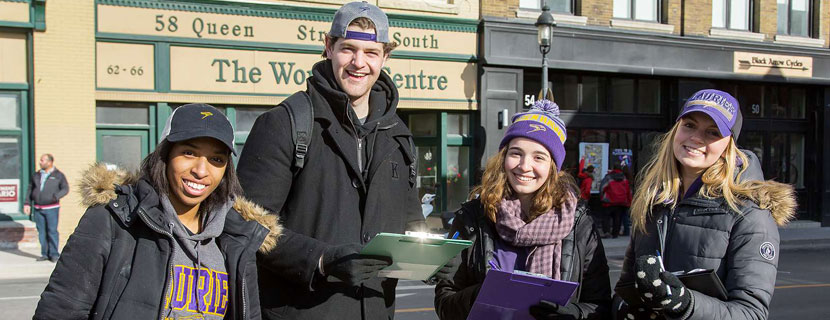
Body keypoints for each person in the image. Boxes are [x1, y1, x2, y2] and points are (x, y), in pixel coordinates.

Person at [236, 2, 438, 319]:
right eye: (348, 49)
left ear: (386, 56)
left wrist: (433, 258)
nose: (359, 63)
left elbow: (411, 226)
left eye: (371, 53)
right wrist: (322, 260)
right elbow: (245, 225)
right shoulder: (284, 124)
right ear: (329, 47)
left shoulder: (399, 136)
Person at [34, 104, 281, 320]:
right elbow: (60, 310)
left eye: (216, 160)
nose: (201, 170)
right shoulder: (113, 220)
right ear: (165, 156)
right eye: (189, 153)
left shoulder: (239, 237)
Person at [614, 90, 796, 320]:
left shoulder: (749, 213)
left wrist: (686, 304)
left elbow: (751, 313)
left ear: (728, 145)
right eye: (689, 125)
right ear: (675, 130)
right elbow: (626, 286)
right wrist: (623, 308)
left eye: (712, 132)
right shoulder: (653, 200)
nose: (696, 138)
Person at [434, 99, 611, 320]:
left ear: (553, 167)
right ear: (504, 158)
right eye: (516, 153)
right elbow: (445, 303)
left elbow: (600, 307)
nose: (525, 166)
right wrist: (479, 296)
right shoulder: (473, 217)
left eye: (539, 157)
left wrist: (571, 315)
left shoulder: (580, 224)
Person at [24, 153, 69, 262]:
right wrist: (27, 204)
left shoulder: (58, 175)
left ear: (50, 162)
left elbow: (65, 188)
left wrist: (55, 197)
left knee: (52, 231)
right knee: (42, 232)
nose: (40, 162)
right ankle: (44, 254)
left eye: (42, 160)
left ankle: (54, 254)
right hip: (38, 208)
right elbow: (30, 189)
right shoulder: (37, 175)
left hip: (52, 208)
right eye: (40, 160)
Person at [598, 165, 631, 239]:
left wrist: (603, 197)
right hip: (621, 201)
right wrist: (628, 201)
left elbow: (602, 188)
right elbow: (628, 190)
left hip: (609, 201)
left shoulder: (608, 177)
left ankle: (607, 232)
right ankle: (615, 233)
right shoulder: (624, 178)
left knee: (606, 217)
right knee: (617, 218)